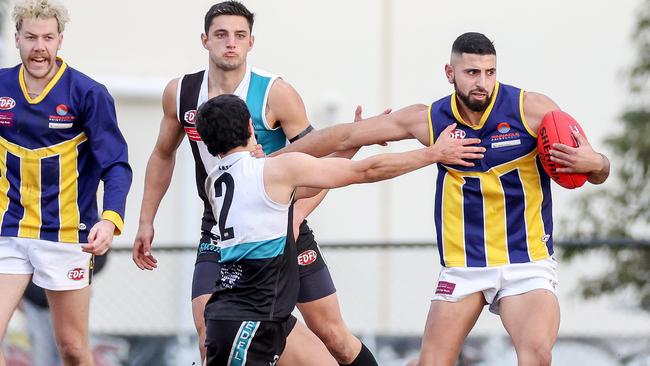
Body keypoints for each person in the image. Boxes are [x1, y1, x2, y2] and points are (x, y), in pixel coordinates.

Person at [278, 32, 611, 366]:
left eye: (490, 72)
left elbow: (599, 168)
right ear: (450, 74)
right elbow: (346, 135)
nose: (483, 82)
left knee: (536, 354)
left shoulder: (532, 110)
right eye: (472, 73)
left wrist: (594, 162)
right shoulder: (431, 119)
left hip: (525, 263)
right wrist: (269, 164)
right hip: (464, 267)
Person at [131, 2, 377, 365]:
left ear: (251, 42)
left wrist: (295, 218)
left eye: (239, 36)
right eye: (221, 35)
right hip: (221, 229)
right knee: (208, 333)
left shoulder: (275, 94)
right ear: (204, 40)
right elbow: (163, 154)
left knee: (332, 334)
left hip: (279, 226)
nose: (230, 43)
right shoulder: (182, 93)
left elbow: (317, 165)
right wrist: (146, 220)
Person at [194, 93, 484, 366]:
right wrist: (434, 153)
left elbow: (313, 183)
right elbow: (365, 172)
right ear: (249, 126)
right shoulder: (273, 169)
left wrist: (352, 145)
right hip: (246, 322)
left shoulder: (216, 180)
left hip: (269, 316)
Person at [0, 1, 132, 366]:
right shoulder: (1, 86)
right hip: (8, 230)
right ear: (17, 39)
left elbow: (117, 165)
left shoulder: (88, 93)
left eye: (47, 37)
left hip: (66, 233)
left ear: (59, 41)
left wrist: (110, 219)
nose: (38, 46)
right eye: (30, 37)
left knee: (72, 349)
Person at [21, 254, 108, 366]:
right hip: (36, 304)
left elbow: (99, 257)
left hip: (68, 294)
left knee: (74, 350)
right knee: (41, 353)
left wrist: (79, 277)